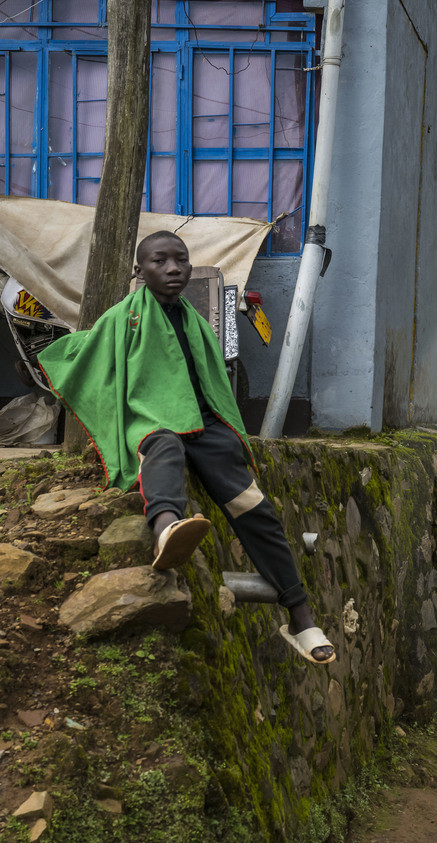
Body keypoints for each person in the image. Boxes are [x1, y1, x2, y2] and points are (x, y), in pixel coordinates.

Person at [36, 231, 333, 663]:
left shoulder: (193, 319)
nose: (173, 269)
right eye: (160, 261)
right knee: (164, 451)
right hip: (153, 418)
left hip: (203, 421)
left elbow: (210, 380)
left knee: (253, 505)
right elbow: (91, 356)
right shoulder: (125, 317)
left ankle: (299, 613)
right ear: (141, 271)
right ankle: (167, 532)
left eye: (181, 260)